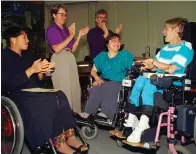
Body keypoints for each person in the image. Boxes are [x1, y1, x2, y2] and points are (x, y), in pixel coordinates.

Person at [2, 26, 89, 154]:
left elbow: (39, 81)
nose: (28, 40)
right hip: (16, 94)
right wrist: (32, 70)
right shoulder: (3, 57)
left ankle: (70, 136)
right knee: (48, 99)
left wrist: (42, 72)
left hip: (34, 90)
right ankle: (59, 143)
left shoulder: (28, 56)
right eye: (24, 37)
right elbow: (7, 84)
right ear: (13, 40)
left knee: (60, 94)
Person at [124, 17, 194, 143]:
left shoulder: (185, 48)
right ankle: (132, 117)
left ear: (177, 29)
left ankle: (144, 122)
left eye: (166, 29)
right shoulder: (165, 48)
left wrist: (155, 62)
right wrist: (148, 64)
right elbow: (155, 66)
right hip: (160, 79)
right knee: (139, 79)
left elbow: (172, 68)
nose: (163, 32)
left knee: (150, 82)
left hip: (173, 84)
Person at [80, 33, 134, 122]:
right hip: (103, 80)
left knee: (109, 87)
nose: (117, 43)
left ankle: (106, 114)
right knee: (96, 88)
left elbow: (133, 68)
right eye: (113, 41)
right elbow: (93, 71)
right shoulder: (102, 56)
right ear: (107, 44)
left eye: (118, 41)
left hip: (118, 82)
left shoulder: (124, 55)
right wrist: (97, 78)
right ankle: (88, 113)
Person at [46, 4, 89, 113]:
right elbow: (57, 49)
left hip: (70, 58)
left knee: (75, 89)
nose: (64, 17)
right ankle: (65, 122)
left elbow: (72, 48)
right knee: (64, 90)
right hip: (60, 59)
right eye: (61, 14)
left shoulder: (65, 30)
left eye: (66, 15)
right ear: (54, 15)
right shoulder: (51, 29)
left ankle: (75, 117)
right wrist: (71, 35)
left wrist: (79, 35)